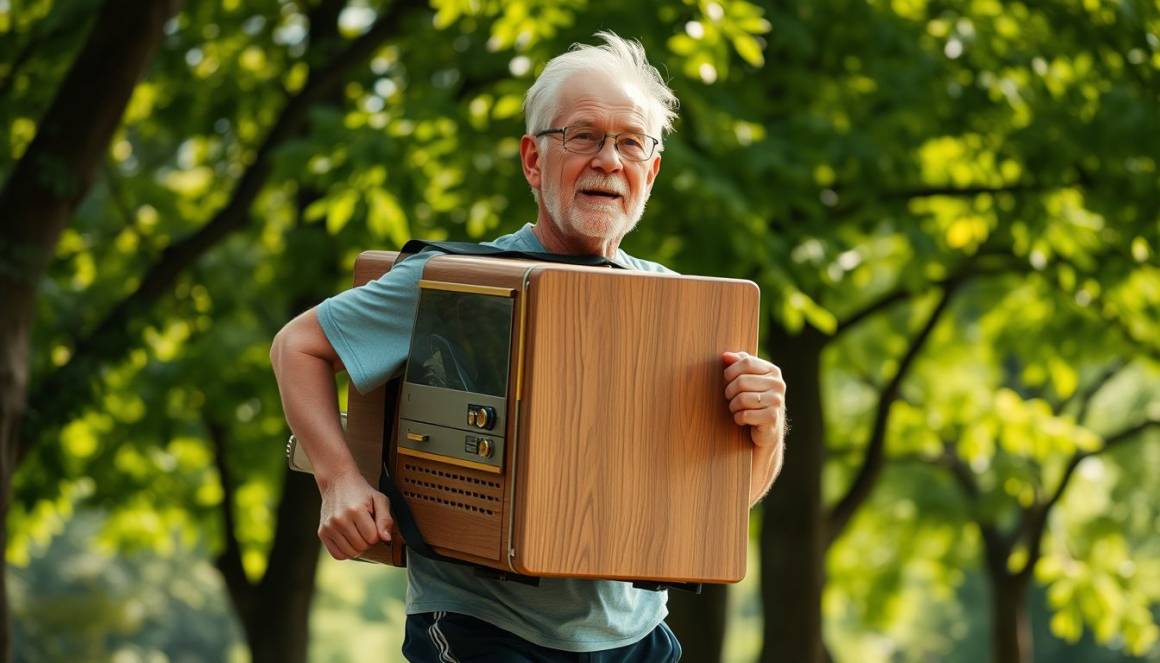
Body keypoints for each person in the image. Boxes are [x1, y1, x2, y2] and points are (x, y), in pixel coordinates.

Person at [270, 31, 787, 662]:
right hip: (483, 630)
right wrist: (339, 481)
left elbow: (717, 503)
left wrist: (766, 431)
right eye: (582, 136)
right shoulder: (457, 283)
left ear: (651, 171)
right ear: (532, 160)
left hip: (639, 640)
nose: (608, 160)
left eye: (630, 142)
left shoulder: (684, 311)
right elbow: (297, 345)